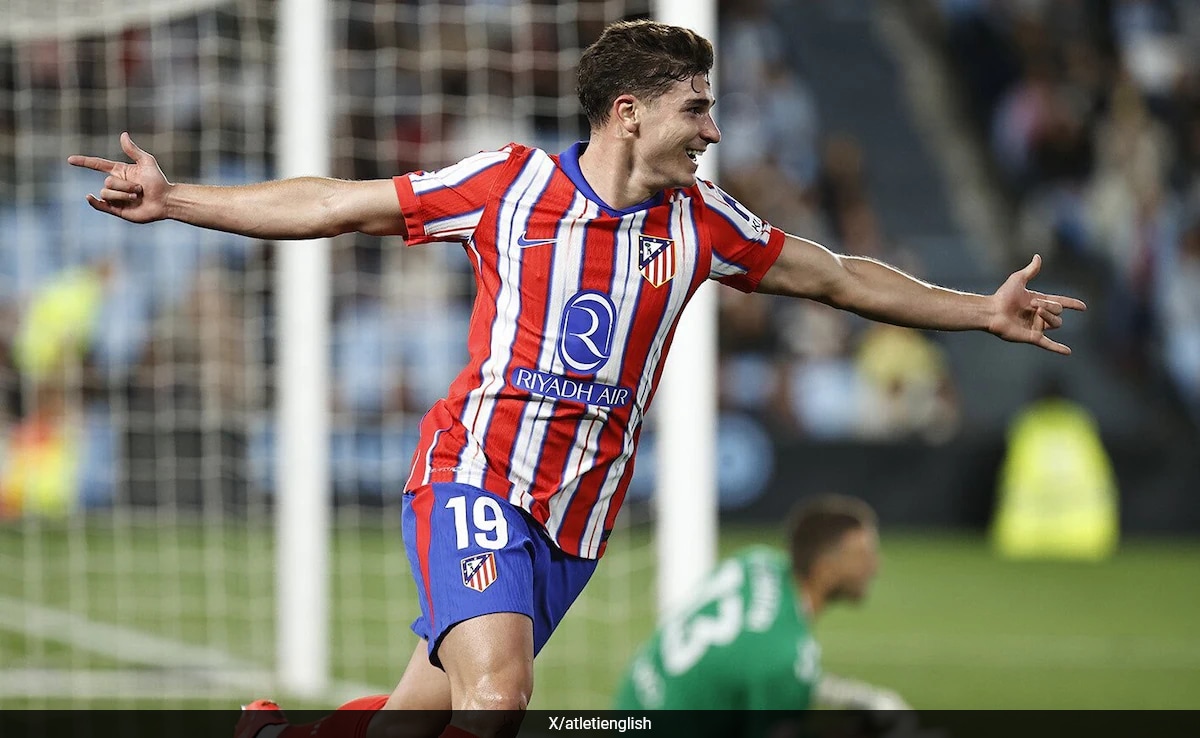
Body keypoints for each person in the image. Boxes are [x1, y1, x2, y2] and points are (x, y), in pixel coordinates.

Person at [68, 18, 1085, 738]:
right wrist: (181, 199)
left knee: (424, 719)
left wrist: (975, 309)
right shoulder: (509, 186)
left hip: (574, 527)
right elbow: (336, 201)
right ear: (632, 113)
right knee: (501, 699)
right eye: (699, 110)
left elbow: (837, 277)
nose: (716, 131)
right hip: (475, 477)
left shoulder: (706, 223)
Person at [612, 495, 910, 736]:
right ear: (826, 568)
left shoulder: (754, 560)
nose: (875, 567)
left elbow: (746, 657)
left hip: (634, 700)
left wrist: (844, 695)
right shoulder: (784, 658)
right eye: (863, 556)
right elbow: (772, 671)